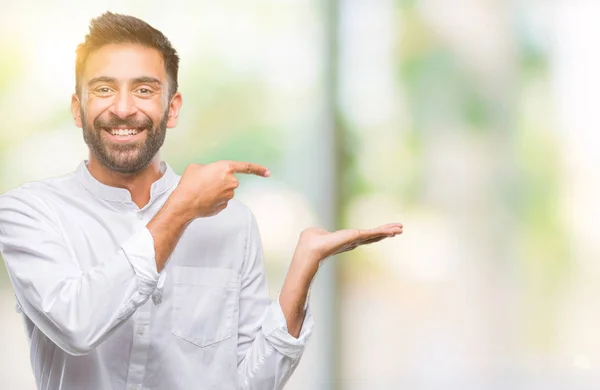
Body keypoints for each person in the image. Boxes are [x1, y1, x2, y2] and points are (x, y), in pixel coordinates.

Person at [0, 12, 403, 390]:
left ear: (171, 109)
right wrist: (181, 208)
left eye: (144, 90)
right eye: (104, 89)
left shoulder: (233, 223)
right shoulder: (29, 213)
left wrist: (301, 271)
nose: (123, 109)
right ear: (78, 108)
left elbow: (248, 383)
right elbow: (76, 325)